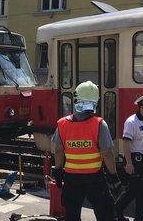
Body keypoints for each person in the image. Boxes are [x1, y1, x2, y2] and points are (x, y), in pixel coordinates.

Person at [52, 81, 121, 221]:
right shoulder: (99, 124)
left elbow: (58, 151)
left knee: (72, 215)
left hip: (71, 178)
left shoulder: (62, 124)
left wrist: (58, 172)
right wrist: (114, 176)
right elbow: (107, 153)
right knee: (105, 214)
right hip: (94, 179)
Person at [115, 91, 143, 221]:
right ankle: (120, 212)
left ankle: (118, 212)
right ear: (142, 107)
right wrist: (128, 163)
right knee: (139, 193)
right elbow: (126, 142)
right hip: (135, 160)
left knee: (135, 191)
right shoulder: (131, 122)